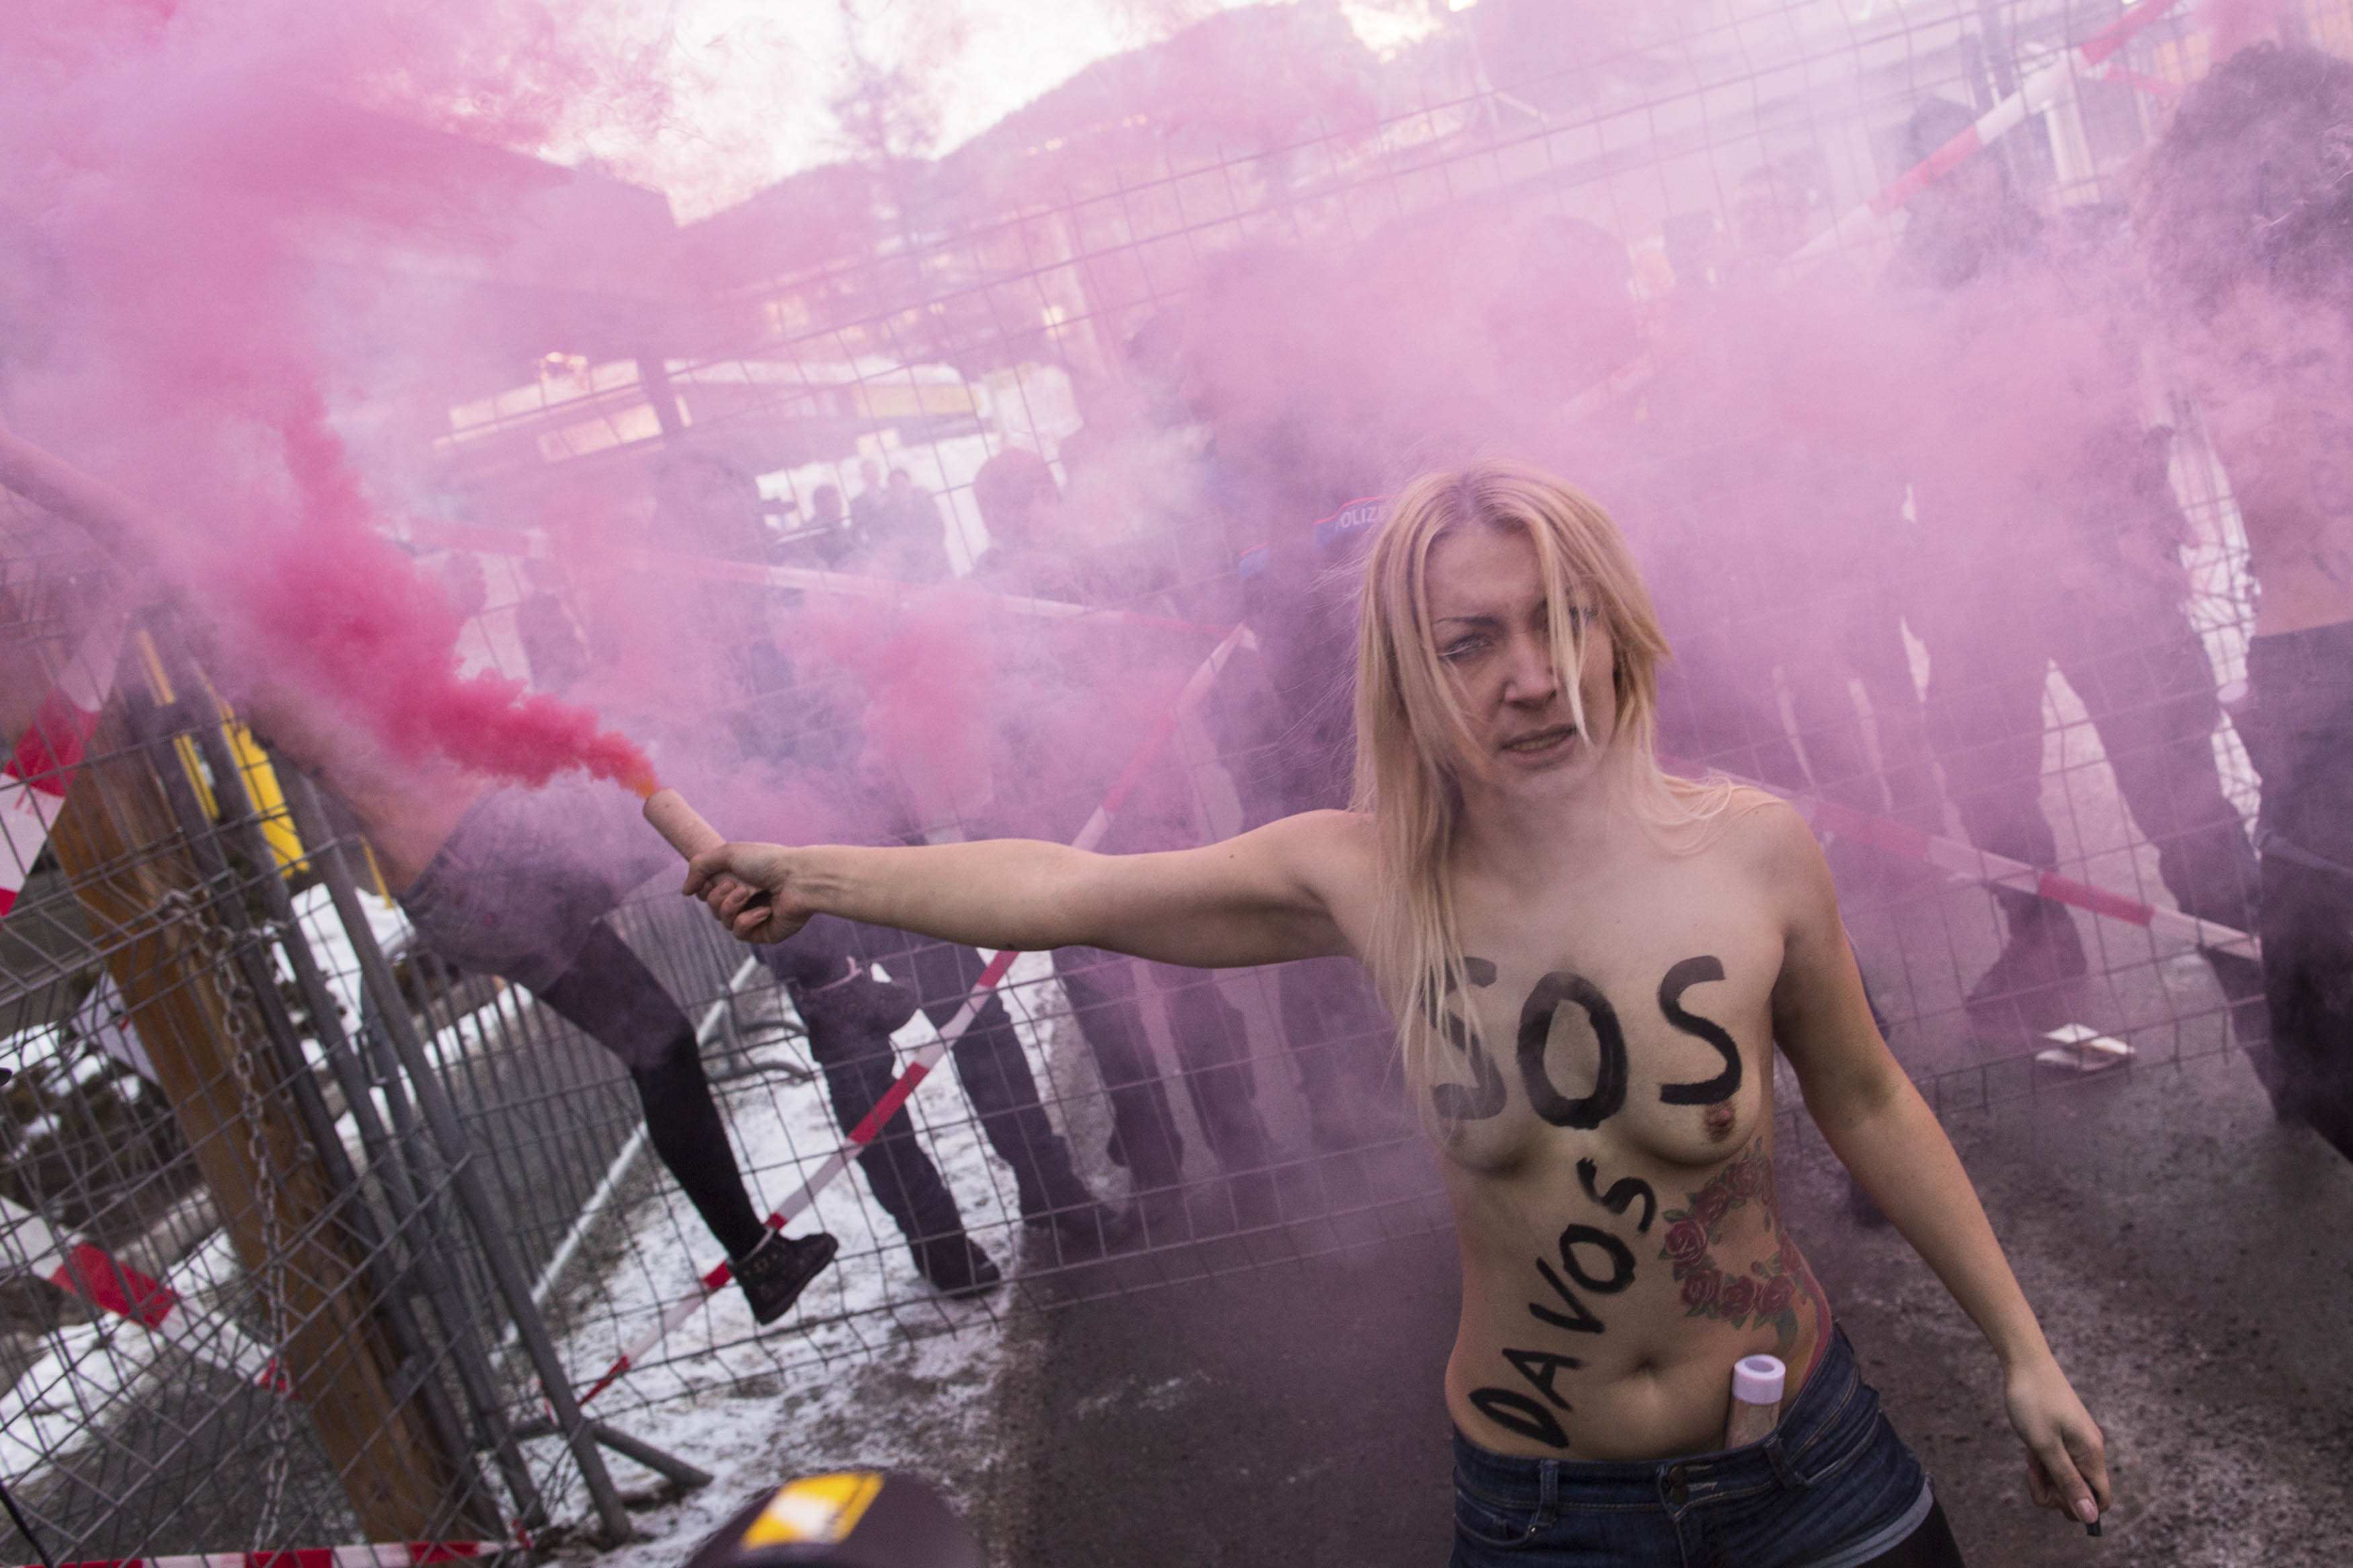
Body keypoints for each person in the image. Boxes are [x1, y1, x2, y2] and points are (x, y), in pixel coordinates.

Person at [685, 464, 2108, 1565]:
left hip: (1809, 1458)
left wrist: (2025, 1350)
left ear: (1615, 628)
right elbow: (1073, 887)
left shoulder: (1751, 851)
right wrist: (813, 874)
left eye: (1560, 619)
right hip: (1553, 1509)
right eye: (1471, 641)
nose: (1530, 675)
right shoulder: (1366, 876)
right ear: (1413, 676)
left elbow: (1866, 1095)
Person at [243, 688, 842, 1327]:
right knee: (715, 806)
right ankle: (840, 985)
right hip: (484, 862)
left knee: (661, 1045)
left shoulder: (275, 677)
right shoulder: (282, 670)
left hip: (455, 895)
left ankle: (759, 1260)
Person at [1886, 99, 2263, 1040]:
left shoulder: (2060, 249)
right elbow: (1881, 422)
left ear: (1999, 168)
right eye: (1935, 177)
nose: (1957, 190)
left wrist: (2141, 492)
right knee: (1980, 766)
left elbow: (2133, 378)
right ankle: (2040, 938)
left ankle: (2258, 959)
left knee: (2170, 769)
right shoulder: (1902, 289)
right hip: (1979, 566)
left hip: (2100, 545)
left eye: (1968, 167)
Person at [963, 448, 1281, 1233]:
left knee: (1186, 978)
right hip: (1064, 822)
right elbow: (982, 709)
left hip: (1144, 797)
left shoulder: (1103, 564)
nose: (1025, 515)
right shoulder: (984, 596)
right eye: (1010, 504)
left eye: (1033, 497)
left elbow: (1170, 624)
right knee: (1108, 1009)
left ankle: (1241, 1150)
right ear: (993, 517)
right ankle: (1159, 1167)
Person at [2139, 40, 2353, 1161]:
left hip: (2315, 660)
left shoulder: (2239, 285)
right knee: (2319, 1035)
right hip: (2310, 661)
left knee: (2322, 1036)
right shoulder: (2239, 293)